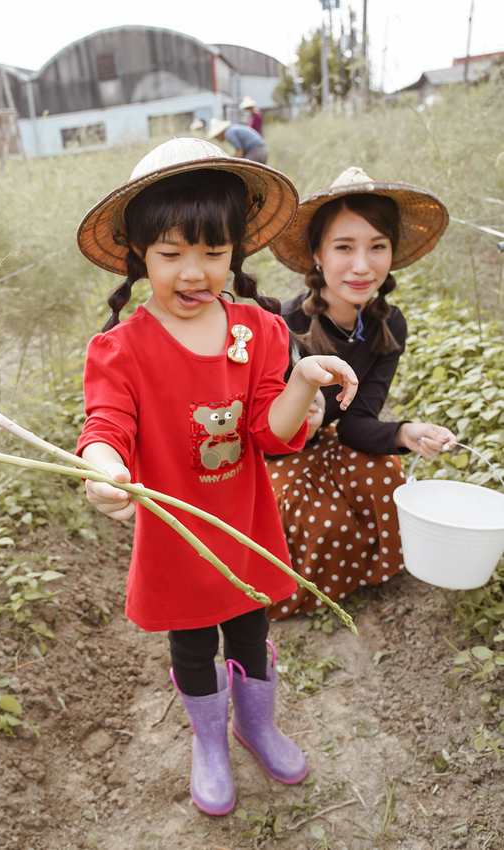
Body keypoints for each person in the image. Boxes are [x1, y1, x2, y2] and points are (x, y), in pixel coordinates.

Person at [75, 137, 358, 816]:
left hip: (245, 525)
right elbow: (104, 427)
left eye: (213, 252)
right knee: (194, 640)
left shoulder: (257, 330)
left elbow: (269, 431)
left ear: (236, 250)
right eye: (172, 254)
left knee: (252, 631)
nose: (193, 272)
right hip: (178, 537)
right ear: (139, 253)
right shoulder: (120, 350)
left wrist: (301, 378)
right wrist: (103, 468)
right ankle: (209, 741)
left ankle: (255, 725)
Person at [265, 166, 456, 620]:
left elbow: (355, 424)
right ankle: (299, 585)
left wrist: (406, 432)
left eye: (377, 247)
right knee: (324, 522)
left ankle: (367, 569)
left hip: (327, 442)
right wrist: (300, 419)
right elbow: (261, 430)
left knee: (387, 477)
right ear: (316, 253)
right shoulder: (282, 326)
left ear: (392, 253)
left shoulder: (388, 325)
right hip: (271, 455)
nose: (361, 266)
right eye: (344, 247)